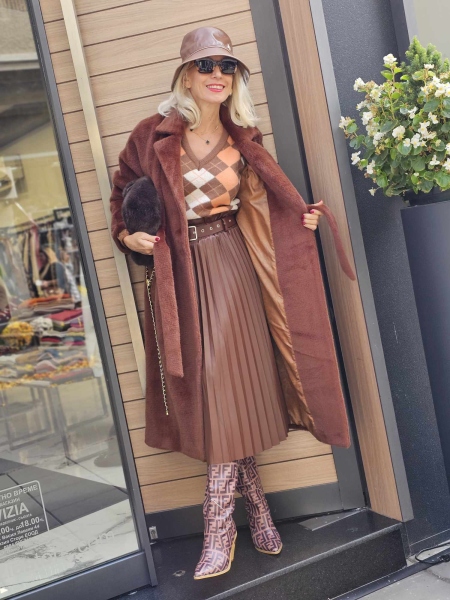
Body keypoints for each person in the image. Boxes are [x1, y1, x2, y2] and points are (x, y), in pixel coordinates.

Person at [109, 27, 356, 580]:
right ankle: (257, 511)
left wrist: (298, 221)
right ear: (185, 75)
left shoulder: (245, 136)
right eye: (206, 65)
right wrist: (128, 235)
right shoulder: (150, 134)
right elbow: (122, 194)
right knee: (216, 392)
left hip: (234, 266)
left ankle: (220, 528)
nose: (217, 74)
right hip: (180, 275)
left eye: (227, 66)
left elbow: (265, 203)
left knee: (233, 386)